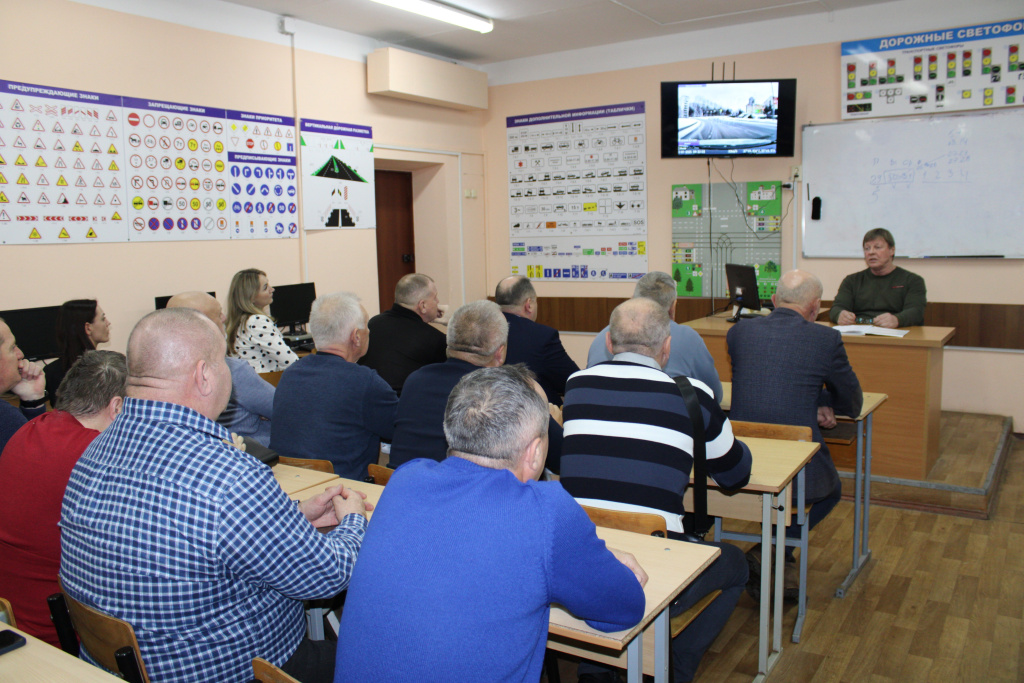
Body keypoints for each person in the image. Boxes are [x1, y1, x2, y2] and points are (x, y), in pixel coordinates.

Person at [60, 308, 370, 683]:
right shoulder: (228, 477)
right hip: (239, 670)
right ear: (204, 375)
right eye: (225, 362)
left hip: (119, 667)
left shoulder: (93, 454)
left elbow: (194, 532)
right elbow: (328, 577)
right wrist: (354, 519)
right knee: (390, 655)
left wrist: (292, 514)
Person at [335, 365, 647, 682]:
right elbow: (624, 608)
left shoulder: (405, 479)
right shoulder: (546, 511)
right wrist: (598, 561)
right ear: (535, 451)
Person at [560, 297, 752, 683]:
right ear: (667, 347)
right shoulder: (692, 395)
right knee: (736, 564)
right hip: (656, 571)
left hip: (583, 556)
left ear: (609, 343)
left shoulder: (576, 384)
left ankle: (597, 668)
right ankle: (675, 669)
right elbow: (735, 475)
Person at [728, 269, 863, 597]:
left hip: (742, 455)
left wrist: (812, 397)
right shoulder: (825, 339)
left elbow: (770, 379)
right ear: (815, 307)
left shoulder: (739, 332)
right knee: (831, 491)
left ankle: (773, 554)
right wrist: (821, 400)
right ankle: (773, 550)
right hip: (794, 460)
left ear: (774, 301)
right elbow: (852, 403)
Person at [0, 350, 127, 647]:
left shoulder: (30, 430)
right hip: (64, 632)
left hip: (15, 615)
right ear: (117, 407)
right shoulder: (97, 457)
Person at [388, 300, 564, 472]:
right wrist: (548, 423)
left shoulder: (415, 380)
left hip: (398, 483)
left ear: (450, 342)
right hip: (463, 490)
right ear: (500, 353)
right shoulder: (503, 393)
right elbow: (562, 459)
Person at [271, 292, 398, 479]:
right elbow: (402, 429)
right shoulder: (364, 382)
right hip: (342, 488)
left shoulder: (290, 374)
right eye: (366, 327)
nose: (369, 333)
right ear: (356, 337)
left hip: (287, 483)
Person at [587, 271, 722, 401]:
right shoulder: (689, 338)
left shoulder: (602, 336)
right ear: (673, 307)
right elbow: (714, 395)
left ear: (632, 300)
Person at [167, 291, 275, 447]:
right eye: (218, 314)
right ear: (204, 325)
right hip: (253, 450)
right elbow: (282, 409)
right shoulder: (233, 370)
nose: (224, 318)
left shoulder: (163, 371)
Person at [495, 275, 579, 405]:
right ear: (528, 305)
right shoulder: (542, 336)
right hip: (531, 409)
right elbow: (572, 381)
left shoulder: (482, 329)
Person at [358, 273, 447, 395]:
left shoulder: (373, 323)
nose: (438, 302)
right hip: (404, 403)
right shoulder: (435, 339)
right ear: (422, 305)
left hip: (365, 399)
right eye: (435, 297)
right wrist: (454, 322)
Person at [828, 228, 927, 328]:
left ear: (892, 250)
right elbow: (837, 308)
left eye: (877, 247)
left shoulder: (913, 281)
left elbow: (916, 312)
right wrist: (839, 315)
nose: (871, 252)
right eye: (867, 248)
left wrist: (897, 319)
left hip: (896, 330)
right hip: (859, 330)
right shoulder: (852, 281)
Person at [226, 267, 299, 372]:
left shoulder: (238, 321)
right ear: (251, 297)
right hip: (265, 380)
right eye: (265, 288)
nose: (272, 289)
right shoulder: (256, 321)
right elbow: (290, 361)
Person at [43, 299, 112, 403]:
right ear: (88, 328)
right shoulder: (106, 368)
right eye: (103, 319)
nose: (108, 323)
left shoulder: (50, 371)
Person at [0, 318, 47, 452]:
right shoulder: (5, 418)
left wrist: (32, 400)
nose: (20, 354)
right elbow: (40, 456)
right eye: (12, 347)